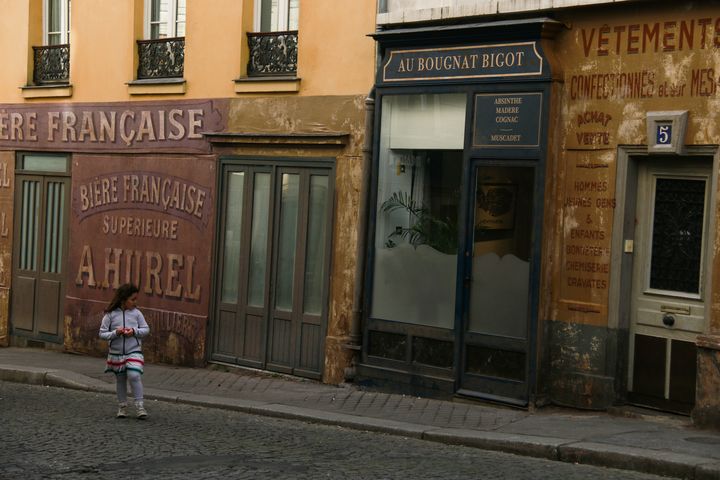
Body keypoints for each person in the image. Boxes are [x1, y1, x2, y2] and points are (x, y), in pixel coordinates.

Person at [99, 283, 150, 419]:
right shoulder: (110, 315)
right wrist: (116, 333)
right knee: (120, 379)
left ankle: (140, 405)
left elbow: (146, 330)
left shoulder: (137, 314)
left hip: (134, 351)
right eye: (132, 299)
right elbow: (102, 333)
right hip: (116, 353)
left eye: (136, 299)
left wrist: (133, 331)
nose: (135, 302)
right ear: (123, 299)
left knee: (134, 375)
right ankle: (122, 406)